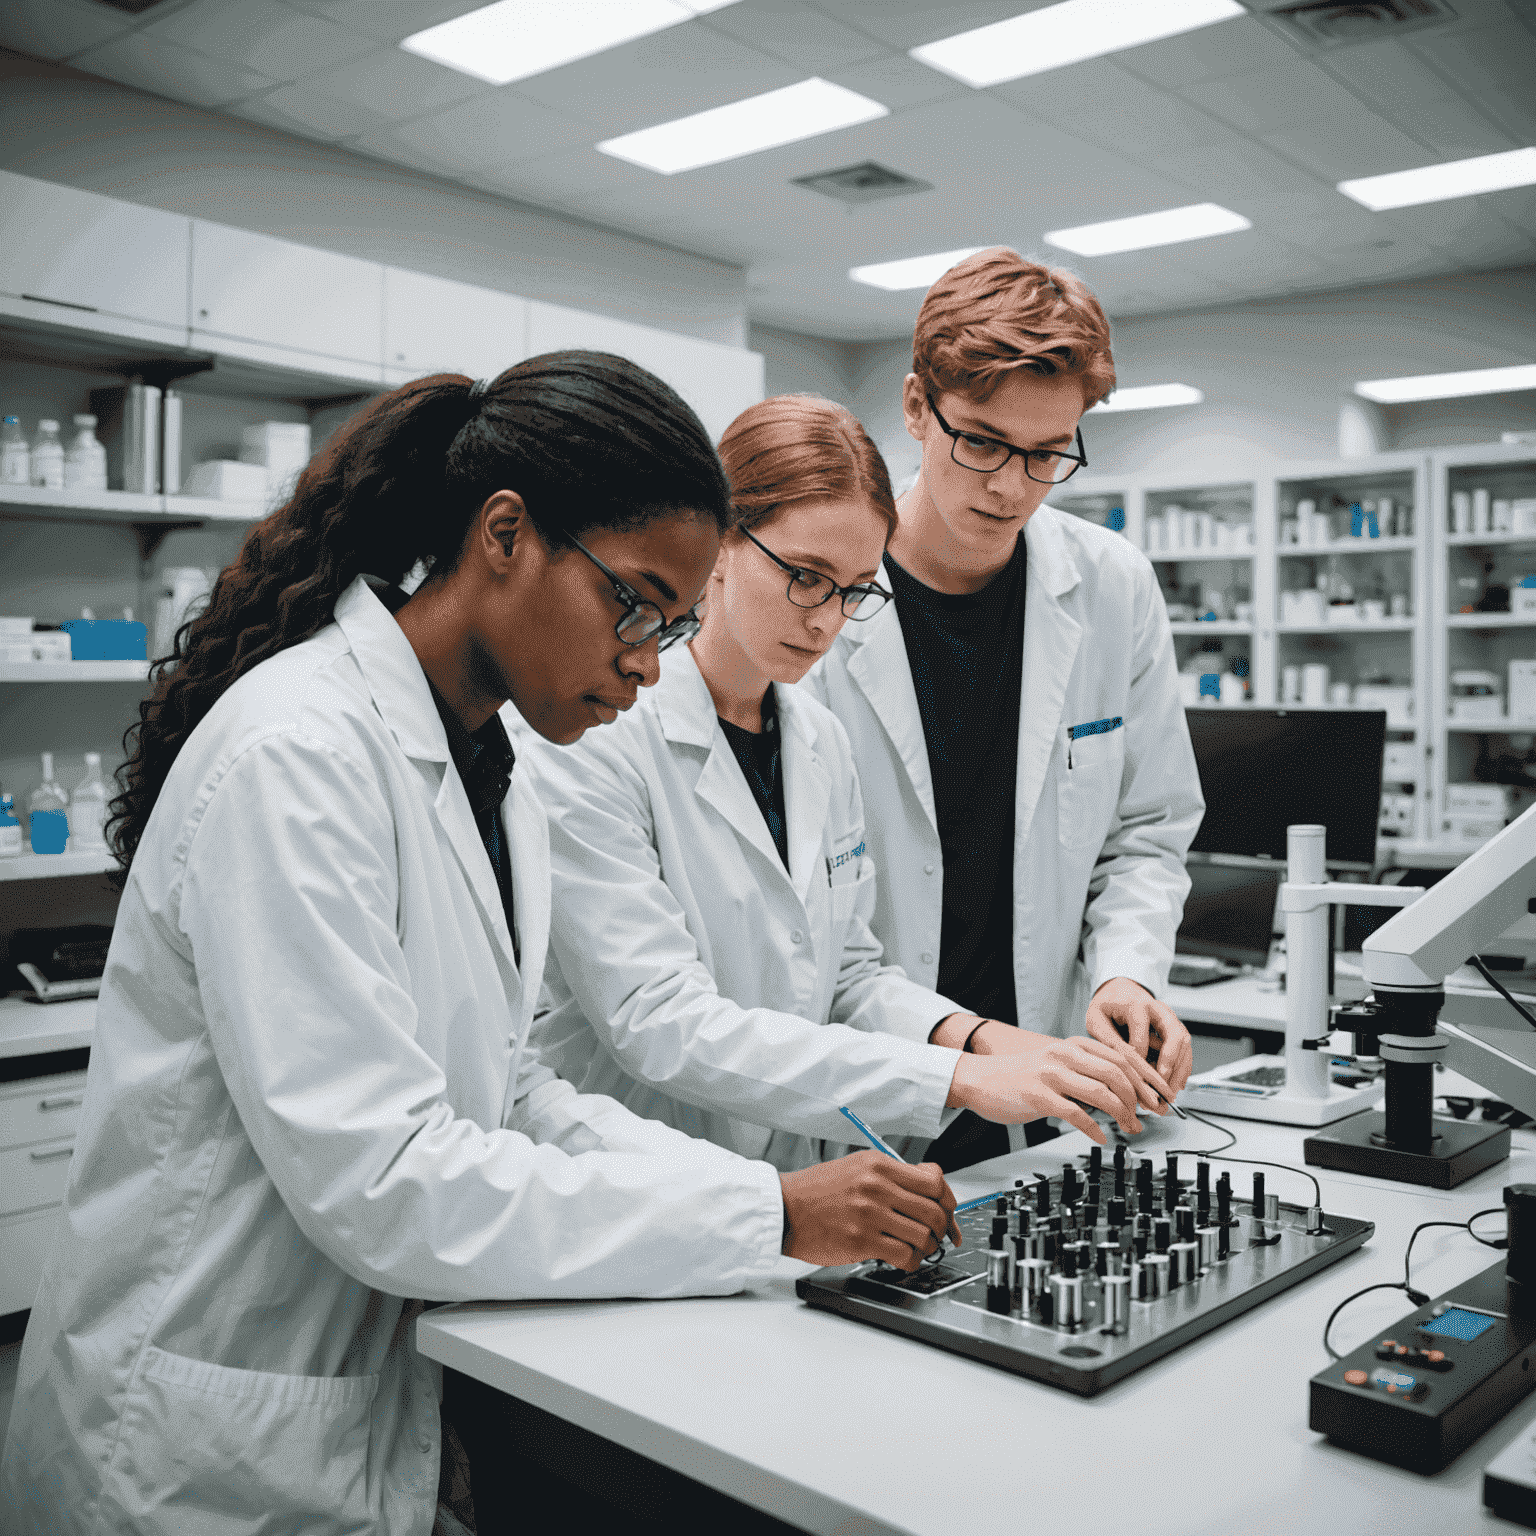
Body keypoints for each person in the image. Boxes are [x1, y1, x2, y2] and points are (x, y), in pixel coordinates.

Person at [0, 356, 961, 1536]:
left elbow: (506, 1092)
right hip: (190, 1436)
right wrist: (765, 1218)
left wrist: (766, 1198)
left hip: (351, 1409)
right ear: (505, 535)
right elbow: (388, 1180)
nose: (649, 661)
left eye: (672, 622)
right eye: (637, 603)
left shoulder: (491, 773)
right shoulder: (297, 757)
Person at [518, 393, 1175, 1180]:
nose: (827, 619)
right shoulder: (601, 736)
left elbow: (850, 979)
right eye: (805, 576)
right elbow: (659, 1021)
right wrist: (962, 1078)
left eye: (857, 589)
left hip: (793, 1183)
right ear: (721, 544)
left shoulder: (817, 740)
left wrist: (995, 1041)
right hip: (637, 1177)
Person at [805, 249, 1205, 1172]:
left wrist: (1127, 974)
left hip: (1045, 1090)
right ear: (916, 407)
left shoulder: (1112, 585)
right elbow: (812, 918)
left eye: (1047, 452)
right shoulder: (819, 604)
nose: (1010, 486)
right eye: (981, 441)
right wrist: (963, 1047)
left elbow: (1146, 834)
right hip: (865, 1087)